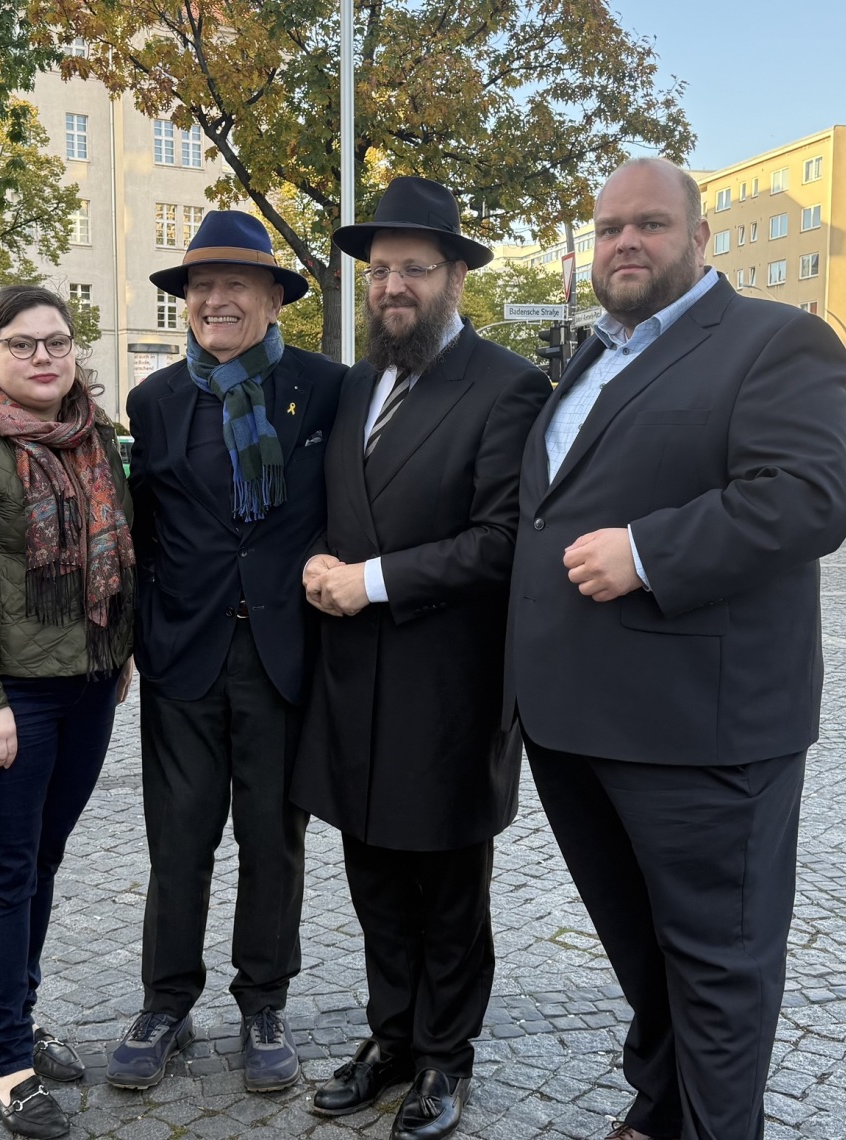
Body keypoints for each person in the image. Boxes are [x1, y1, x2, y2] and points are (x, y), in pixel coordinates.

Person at [507, 157, 846, 1140]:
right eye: (610, 225)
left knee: (717, 972)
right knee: (644, 952)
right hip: (576, 726)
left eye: (651, 224)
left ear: (701, 238)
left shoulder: (776, 343)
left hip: (702, 735)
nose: (627, 241)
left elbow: (809, 497)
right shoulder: (593, 356)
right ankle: (658, 1107)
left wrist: (649, 551)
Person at [293, 175, 551, 1140]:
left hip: (448, 688)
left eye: (415, 268)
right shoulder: (359, 381)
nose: (393, 284)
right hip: (353, 683)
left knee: (447, 890)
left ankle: (447, 1056)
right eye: (380, 270)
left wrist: (373, 581)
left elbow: (502, 538)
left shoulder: (511, 385)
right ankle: (391, 1037)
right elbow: (340, 506)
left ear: (454, 278)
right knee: (374, 884)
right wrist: (321, 559)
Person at [107, 211, 344, 1094]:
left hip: (284, 650)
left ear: (274, 300)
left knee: (273, 840)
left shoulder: (327, 390)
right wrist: (131, 639)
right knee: (179, 838)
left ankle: (264, 1001)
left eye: (235, 286)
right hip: (185, 652)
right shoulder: (156, 401)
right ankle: (165, 1002)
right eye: (200, 287)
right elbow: (146, 530)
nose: (214, 301)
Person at [0, 285, 137, 1138]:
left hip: (88, 685)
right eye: (22, 344)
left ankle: (22, 1012)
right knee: (4, 871)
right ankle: (8, 1056)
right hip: (7, 698)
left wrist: (116, 651)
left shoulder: (95, 436)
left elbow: (118, 550)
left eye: (57, 342)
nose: (43, 357)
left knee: (42, 862)